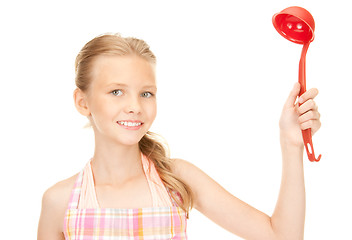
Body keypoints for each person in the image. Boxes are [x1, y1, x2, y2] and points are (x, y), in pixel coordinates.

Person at [37, 33, 321, 240]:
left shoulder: (177, 179)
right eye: (116, 91)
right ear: (82, 102)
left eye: (146, 93)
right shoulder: (59, 202)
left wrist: (291, 143)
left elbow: (282, 237)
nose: (135, 106)